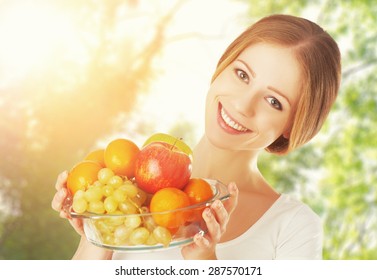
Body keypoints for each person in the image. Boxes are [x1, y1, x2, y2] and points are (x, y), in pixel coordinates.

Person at [52, 14, 341, 260]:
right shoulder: (129, 180)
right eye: (242, 75)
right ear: (223, 66)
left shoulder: (293, 227)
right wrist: (96, 233)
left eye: (274, 101)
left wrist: (205, 262)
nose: (242, 104)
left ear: (294, 125)